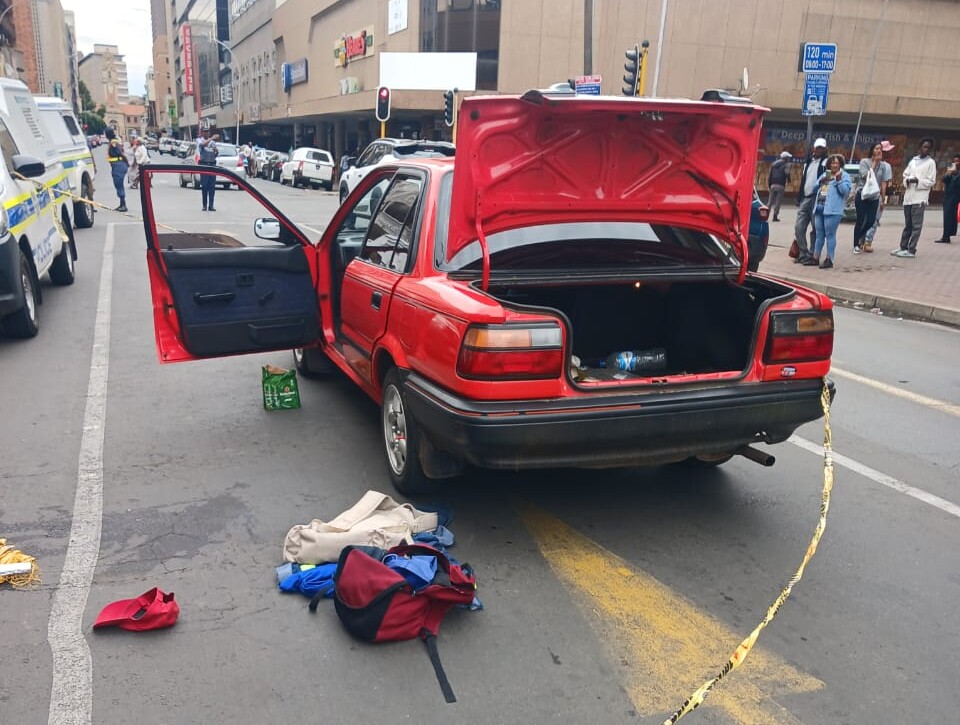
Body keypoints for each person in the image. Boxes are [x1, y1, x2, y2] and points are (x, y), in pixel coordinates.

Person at [892, 137, 937, 258]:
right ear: (920, 147)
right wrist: (908, 180)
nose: (925, 149)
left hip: (919, 198)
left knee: (916, 226)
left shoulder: (931, 163)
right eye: (924, 146)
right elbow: (905, 174)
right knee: (908, 225)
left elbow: (931, 181)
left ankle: (911, 250)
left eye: (928, 148)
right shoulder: (913, 160)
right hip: (909, 197)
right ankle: (903, 247)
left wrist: (918, 181)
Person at [852, 140, 893, 254]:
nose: (879, 151)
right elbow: (866, 177)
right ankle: (856, 244)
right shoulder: (864, 162)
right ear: (872, 151)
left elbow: (883, 183)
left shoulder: (884, 166)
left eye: (880, 149)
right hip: (863, 195)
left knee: (871, 221)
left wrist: (883, 199)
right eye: (876, 149)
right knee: (860, 220)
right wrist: (874, 164)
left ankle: (859, 236)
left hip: (875, 196)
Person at [812, 154, 851, 269]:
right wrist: (821, 182)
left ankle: (829, 259)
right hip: (820, 208)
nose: (834, 165)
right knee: (819, 234)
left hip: (833, 211)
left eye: (837, 163)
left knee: (830, 235)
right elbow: (814, 189)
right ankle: (815, 257)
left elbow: (845, 192)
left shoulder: (845, 176)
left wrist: (838, 181)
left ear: (840, 164)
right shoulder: (825, 174)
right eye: (832, 163)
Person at [795, 137, 829, 265]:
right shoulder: (808, 162)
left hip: (817, 199)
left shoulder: (827, 163)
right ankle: (803, 253)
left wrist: (823, 198)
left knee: (816, 227)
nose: (819, 150)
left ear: (825, 149)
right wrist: (799, 197)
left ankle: (812, 254)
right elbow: (804, 180)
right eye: (817, 147)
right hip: (806, 197)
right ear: (814, 148)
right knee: (799, 227)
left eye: (821, 148)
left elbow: (827, 182)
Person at [933, 153, 960, 244]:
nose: (956, 163)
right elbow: (944, 180)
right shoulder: (951, 171)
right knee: (948, 217)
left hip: (956, 196)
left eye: (958, 161)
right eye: (954, 161)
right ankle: (946, 236)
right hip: (949, 197)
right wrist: (949, 174)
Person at [104, 128, 128, 212]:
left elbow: (120, 153)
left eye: (106, 133)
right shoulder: (112, 142)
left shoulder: (114, 142)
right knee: (118, 184)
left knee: (119, 184)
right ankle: (122, 204)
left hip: (118, 166)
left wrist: (126, 162)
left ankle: (123, 205)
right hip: (116, 166)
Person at [197, 129, 219, 211]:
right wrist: (212, 138)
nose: (207, 133)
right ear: (202, 133)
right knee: (204, 186)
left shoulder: (213, 143)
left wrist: (216, 151)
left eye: (208, 132)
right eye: (205, 132)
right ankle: (204, 205)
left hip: (212, 165)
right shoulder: (199, 140)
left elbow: (216, 153)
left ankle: (211, 205)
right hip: (204, 165)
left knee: (212, 186)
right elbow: (202, 145)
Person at [767, 151, 791, 221]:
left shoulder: (773, 164)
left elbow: (770, 175)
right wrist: (789, 180)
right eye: (788, 157)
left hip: (772, 185)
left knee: (770, 201)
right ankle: (775, 216)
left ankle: (765, 215)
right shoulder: (786, 165)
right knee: (778, 201)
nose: (789, 159)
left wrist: (769, 185)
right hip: (780, 185)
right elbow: (787, 173)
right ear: (785, 158)